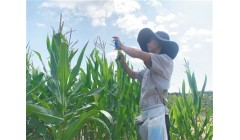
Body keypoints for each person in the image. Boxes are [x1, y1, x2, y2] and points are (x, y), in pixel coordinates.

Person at [113, 28, 179, 140]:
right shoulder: (149, 69)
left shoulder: (165, 60)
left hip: (157, 116)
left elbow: (139, 54)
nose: (147, 43)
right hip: (147, 114)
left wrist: (122, 46)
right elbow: (134, 75)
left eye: (150, 40)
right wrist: (123, 63)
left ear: (159, 43)